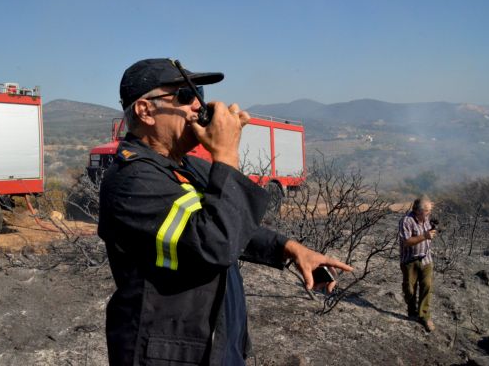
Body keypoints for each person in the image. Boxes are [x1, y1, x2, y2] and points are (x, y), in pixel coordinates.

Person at [98, 58, 353, 365]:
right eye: (185, 95)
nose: (198, 105)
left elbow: (228, 218)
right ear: (146, 111)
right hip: (169, 354)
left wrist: (289, 248)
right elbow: (215, 241)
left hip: (215, 345)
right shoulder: (132, 180)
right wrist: (227, 153)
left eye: (199, 94)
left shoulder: (187, 166)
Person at [398, 197, 437, 332]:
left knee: (427, 286)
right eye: (427, 211)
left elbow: (429, 232)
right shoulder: (406, 221)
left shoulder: (426, 218)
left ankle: (424, 316)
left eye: (429, 211)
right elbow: (406, 242)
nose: (429, 213)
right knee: (410, 289)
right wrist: (425, 236)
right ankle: (412, 312)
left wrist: (431, 233)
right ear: (417, 211)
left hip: (426, 259)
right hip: (410, 260)